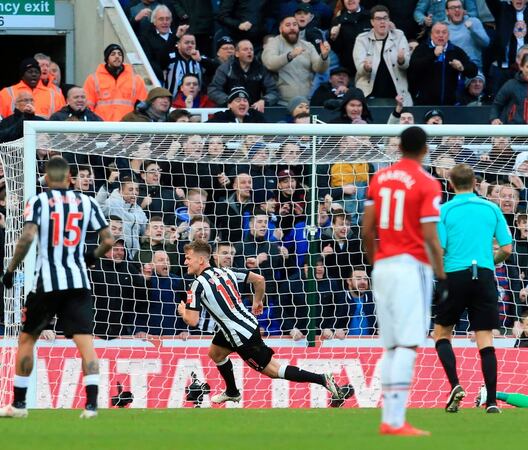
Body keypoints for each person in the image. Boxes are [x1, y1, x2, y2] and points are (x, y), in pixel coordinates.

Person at [0, 156, 114, 418]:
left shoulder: (39, 201)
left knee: (28, 339)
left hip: (46, 284)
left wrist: (10, 270)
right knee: (85, 343)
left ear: (47, 179)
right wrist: (91, 257)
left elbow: (27, 236)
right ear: (70, 178)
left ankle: (18, 405)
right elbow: (108, 240)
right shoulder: (87, 202)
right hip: (78, 282)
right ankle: (92, 406)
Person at [177, 240, 346, 405]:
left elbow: (192, 320)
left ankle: (322, 379)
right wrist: (257, 301)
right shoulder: (226, 272)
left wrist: (183, 311)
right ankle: (232, 391)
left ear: (201, 260)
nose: (185, 262)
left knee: (274, 371)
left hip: (240, 335)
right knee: (216, 353)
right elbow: (259, 279)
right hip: (244, 325)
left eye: (188, 258)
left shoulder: (197, 285)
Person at [362, 126, 445, 436]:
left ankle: (390, 417)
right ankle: (395, 420)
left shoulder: (379, 178)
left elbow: (366, 229)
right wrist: (441, 273)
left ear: (398, 148)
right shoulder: (427, 183)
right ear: (425, 150)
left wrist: (376, 260)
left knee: (391, 345)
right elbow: (429, 237)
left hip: (383, 266)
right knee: (409, 344)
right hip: (412, 267)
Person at [433, 163, 513, 413]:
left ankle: (456, 385)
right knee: (485, 339)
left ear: (451, 184)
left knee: (442, 334)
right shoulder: (491, 208)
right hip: (485, 276)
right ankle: (490, 401)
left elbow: (441, 248)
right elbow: (507, 249)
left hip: (454, 276)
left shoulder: (444, 211)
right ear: (476, 183)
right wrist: (491, 261)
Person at [262, 14, 331, 104]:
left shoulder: (308, 46)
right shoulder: (274, 43)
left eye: (295, 25)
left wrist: (324, 56)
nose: (292, 28)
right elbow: (270, 63)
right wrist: (290, 55)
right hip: (281, 103)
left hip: (306, 102)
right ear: (280, 29)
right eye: (288, 25)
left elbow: (319, 69)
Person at [408, 22, 478, 105]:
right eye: (437, 32)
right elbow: (413, 67)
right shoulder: (422, 49)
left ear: (448, 35)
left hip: (450, 105)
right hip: (425, 104)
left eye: (444, 32)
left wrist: (462, 68)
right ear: (431, 35)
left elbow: (474, 71)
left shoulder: (456, 51)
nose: (441, 35)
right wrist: (433, 55)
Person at [353, 5, 411, 105]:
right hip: (369, 94)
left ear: (389, 21)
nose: (382, 21)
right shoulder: (362, 39)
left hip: (397, 95)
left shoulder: (399, 35)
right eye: (378, 19)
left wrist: (401, 60)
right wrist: (366, 67)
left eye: (385, 18)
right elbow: (359, 67)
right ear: (372, 22)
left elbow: (406, 64)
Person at [83, 44, 148, 121]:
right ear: (107, 59)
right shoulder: (93, 79)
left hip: (127, 125)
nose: (117, 56)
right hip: (102, 126)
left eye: (120, 54)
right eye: (113, 54)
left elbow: (142, 106)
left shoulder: (136, 79)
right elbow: (88, 106)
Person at [0, 58, 65, 119]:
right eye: (30, 72)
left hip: (45, 130)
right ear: (22, 75)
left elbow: (63, 118)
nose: (34, 74)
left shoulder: (54, 94)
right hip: (16, 130)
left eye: (36, 72)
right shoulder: (6, 93)